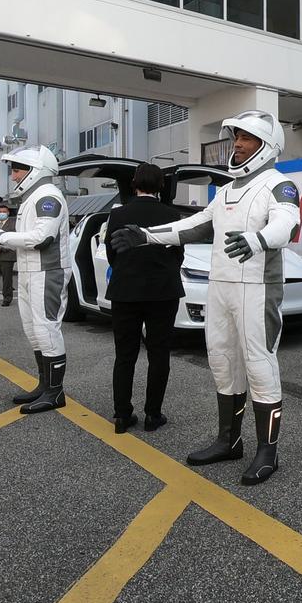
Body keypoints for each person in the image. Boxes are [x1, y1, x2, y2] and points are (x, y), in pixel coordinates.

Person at [110, 110, 299, 485]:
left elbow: (287, 222)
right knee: (223, 364)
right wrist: (146, 235)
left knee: (260, 366)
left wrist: (258, 239)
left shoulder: (280, 184)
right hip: (222, 288)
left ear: (268, 145)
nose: (238, 145)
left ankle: (268, 451)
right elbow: (193, 225)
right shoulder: (226, 190)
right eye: (237, 137)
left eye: (246, 139)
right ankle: (229, 440)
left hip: (257, 290)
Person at [0, 147, 72, 413]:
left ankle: (55, 392)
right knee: (34, 332)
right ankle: (45, 386)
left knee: (46, 329)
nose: (13, 176)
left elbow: (42, 238)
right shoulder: (33, 198)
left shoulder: (48, 197)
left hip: (48, 271)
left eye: (18, 169)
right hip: (30, 271)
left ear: (35, 170)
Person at [103, 163, 184, 434]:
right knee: (159, 353)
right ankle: (153, 415)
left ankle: (122, 416)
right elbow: (178, 255)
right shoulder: (173, 214)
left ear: (134, 184)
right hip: (163, 291)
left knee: (124, 355)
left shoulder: (117, 215)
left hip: (125, 290)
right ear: (161, 185)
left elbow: (112, 253)